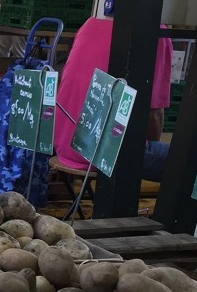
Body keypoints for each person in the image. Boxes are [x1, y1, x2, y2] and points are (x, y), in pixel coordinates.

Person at [54, 17, 172, 181]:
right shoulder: (157, 34)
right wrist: (148, 148)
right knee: (196, 165)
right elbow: (154, 116)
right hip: (102, 156)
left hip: (64, 145)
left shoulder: (89, 24)